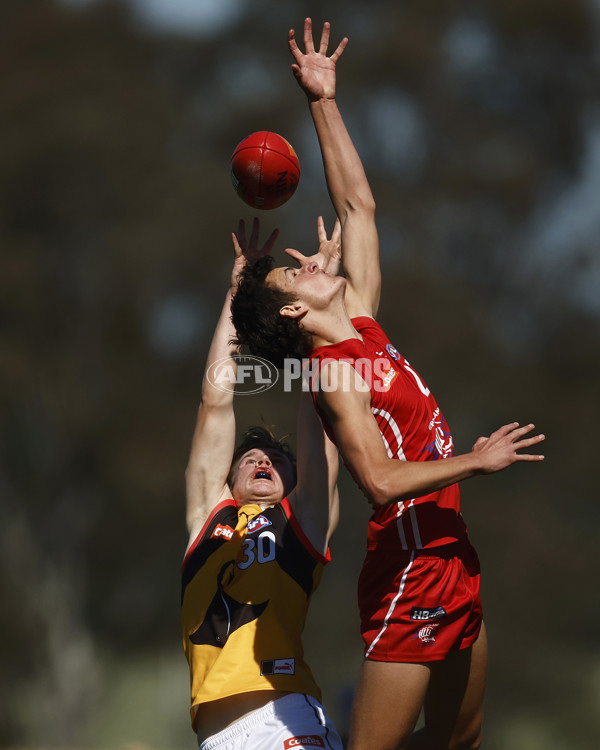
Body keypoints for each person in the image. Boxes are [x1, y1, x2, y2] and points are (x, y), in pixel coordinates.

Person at [230, 18, 546, 750]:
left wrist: (321, 101)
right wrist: (476, 459)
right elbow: (374, 478)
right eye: (296, 270)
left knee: (459, 745)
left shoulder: (361, 326)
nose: (311, 257)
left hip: (453, 558)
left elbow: (359, 206)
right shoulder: (335, 371)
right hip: (409, 575)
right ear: (295, 309)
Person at [182, 217, 344, 750]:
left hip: (284, 721)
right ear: (225, 479)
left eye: (276, 460)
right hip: (215, 738)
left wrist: (317, 313)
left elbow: (321, 418)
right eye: (250, 456)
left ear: (294, 482)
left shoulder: (302, 520)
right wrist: (237, 294)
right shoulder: (211, 517)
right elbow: (215, 401)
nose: (263, 461)